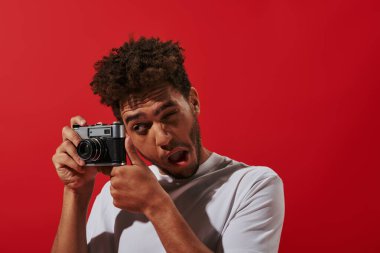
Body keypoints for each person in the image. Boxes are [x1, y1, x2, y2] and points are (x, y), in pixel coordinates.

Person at [51, 37, 285, 253]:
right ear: (126, 133)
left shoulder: (252, 185)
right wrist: (76, 193)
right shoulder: (116, 195)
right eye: (141, 127)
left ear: (193, 102)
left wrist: (156, 204)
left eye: (170, 115)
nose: (163, 138)